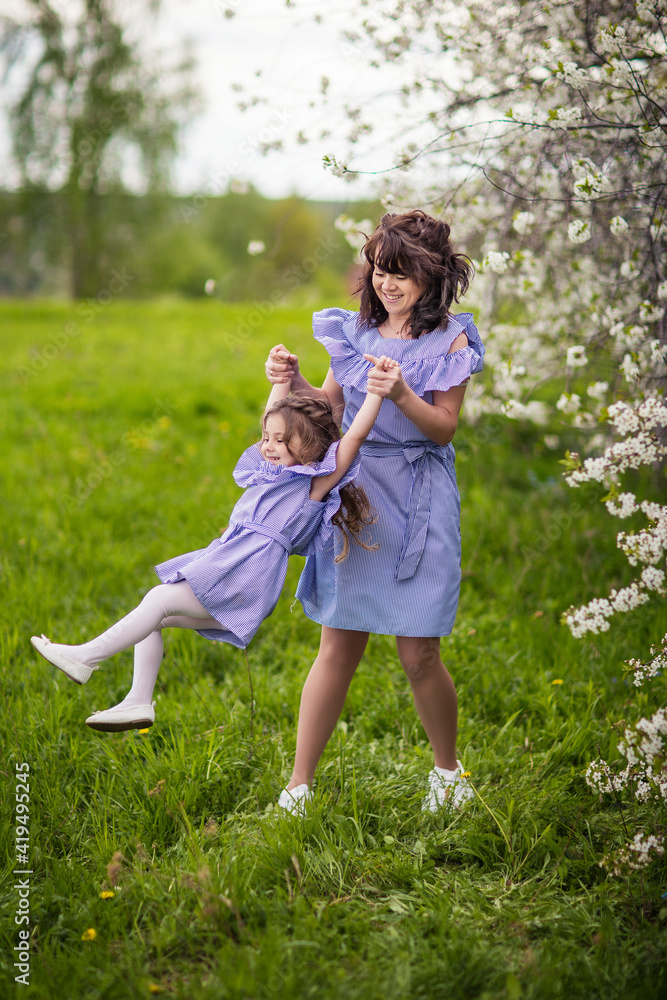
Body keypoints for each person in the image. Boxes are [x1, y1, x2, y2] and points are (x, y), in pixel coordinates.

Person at [30, 355, 397, 735]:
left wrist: (375, 392)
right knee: (155, 617)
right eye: (267, 438)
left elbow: (353, 437)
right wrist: (282, 377)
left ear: (311, 445)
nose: (269, 447)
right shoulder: (267, 472)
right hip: (230, 562)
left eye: (281, 440)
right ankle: (138, 700)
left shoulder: (313, 486)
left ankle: (85, 658)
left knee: (158, 600)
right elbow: (274, 410)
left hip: (244, 573)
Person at [265, 210, 485, 814]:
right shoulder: (355, 335)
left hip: (419, 496)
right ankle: (299, 785)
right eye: (382, 270)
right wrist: (294, 378)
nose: (389, 283)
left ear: (432, 277)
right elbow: (329, 409)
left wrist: (404, 394)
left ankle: (446, 773)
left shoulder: (450, 341)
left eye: (404, 273)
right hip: (357, 499)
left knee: (419, 654)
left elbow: (442, 429)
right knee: (338, 643)